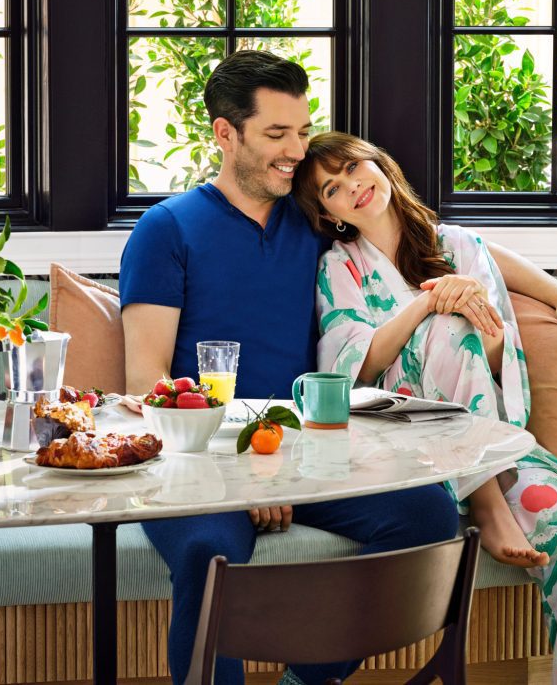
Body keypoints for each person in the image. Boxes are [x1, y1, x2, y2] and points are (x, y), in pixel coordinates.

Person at [117, 51, 461, 685]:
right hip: (199, 462)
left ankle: (306, 677)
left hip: (310, 450)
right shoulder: (164, 230)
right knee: (208, 548)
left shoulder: (314, 224)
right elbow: (146, 380)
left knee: (430, 518)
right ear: (226, 133)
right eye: (277, 134)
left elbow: (434, 241)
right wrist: (243, 476)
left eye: (301, 131)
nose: (296, 150)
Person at [292, 131, 557, 685]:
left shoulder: (461, 246)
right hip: (407, 453)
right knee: (448, 326)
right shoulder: (339, 267)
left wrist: (480, 308)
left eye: (355, 167)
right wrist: (429, 302)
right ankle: (489, 504)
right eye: (331, 188)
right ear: (329, 214)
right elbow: (362, 366)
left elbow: (498, 352)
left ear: (380, 162)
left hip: (487, 440)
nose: (351, 186)